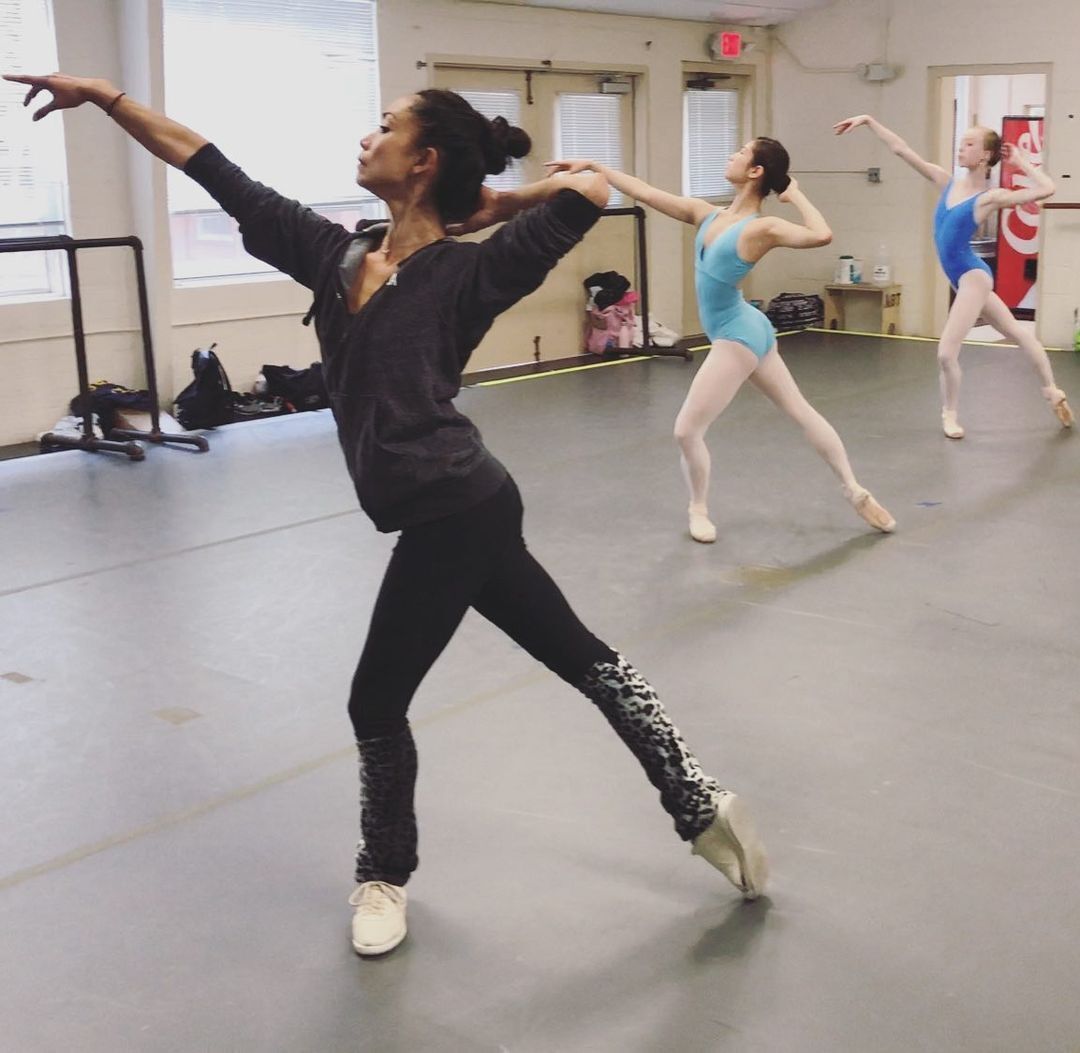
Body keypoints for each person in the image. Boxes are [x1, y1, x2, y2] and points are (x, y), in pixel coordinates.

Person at [5, 71, 769, 956]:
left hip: (456, 507)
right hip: (461, 502)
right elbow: (209, 165)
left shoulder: (472, 271)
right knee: (585, 661)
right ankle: (705, 805)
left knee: (376, 697)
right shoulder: (329, 254)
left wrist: (485, 207)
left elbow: (587, 191)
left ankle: (384, 873)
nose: (366, 140)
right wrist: (106, 97)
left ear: (424, 160)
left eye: (384, 129)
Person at [547, 141, 895, 544]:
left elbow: (822, 235)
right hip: (749, 325)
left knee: (685, 431)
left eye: (743, 152)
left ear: (755, 172)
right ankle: (853, 489)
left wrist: (794, 193)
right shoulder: (706, 213)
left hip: (737, 335)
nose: (733, 153)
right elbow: (644, 191)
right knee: (800, 411)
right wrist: (595, 166)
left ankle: (698, 509)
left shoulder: (761, 228)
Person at [834, 115, 1073, 439]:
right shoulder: (945, 181)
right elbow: (902, 150)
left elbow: (1048, 189)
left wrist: (1020, 163)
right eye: (961, 143)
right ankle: (1052, 390)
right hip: (964, 277)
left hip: (973, 277)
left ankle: (950, 415)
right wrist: (869, 121)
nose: (962, 148)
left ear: (986, 156)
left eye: (970, 144)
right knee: (1017, 332)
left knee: (946, 352)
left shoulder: (989, 197)